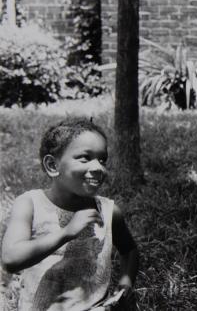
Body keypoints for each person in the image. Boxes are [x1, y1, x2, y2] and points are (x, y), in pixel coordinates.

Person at [1, 118, 139, 311]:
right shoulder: (30, 204)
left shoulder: (108, 211)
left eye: (102, 160)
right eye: (85, 158)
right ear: (52, 165)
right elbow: (10, 260)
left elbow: (129, 250)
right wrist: (67, 232)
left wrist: (126, 284)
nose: (98, 167)